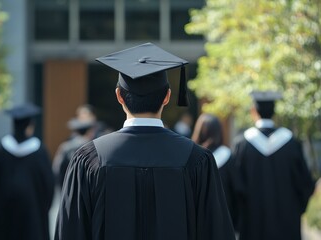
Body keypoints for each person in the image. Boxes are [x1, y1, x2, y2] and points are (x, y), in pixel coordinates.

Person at [55, 42, 235, 240]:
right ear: (167, 97)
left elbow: (70, 232)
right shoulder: (196, 159)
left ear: (119, 96)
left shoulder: (90, 160)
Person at [232, 90, 315, 240]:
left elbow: (236, 188)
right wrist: (295, 209)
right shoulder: (291, 143)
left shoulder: (242, 145)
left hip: (253, 225)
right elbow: (306, 184)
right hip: (287, 226)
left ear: (254, 111)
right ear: (274, 112)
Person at [0, 103, 55, 240]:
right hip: (32, 216)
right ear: (30, 126)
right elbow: (48, 187)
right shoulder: (40, 152)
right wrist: (43, 207)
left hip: (2, 215)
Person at [191, 113, 238, 229]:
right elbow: (237, 190)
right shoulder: (228, 157)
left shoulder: (191, 157)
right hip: (225, 221)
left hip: (197, 224)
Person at [53, 118, 95, 188]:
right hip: (88, 185)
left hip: (68, 184)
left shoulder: (65, 146)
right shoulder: (93, 147)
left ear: (76, 132)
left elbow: (57, 168)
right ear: (89, 132)